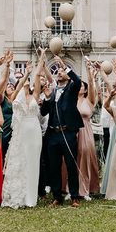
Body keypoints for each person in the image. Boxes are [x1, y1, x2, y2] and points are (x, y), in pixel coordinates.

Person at [2, 51, 46, 208]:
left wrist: (41, 58)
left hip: (34, 129)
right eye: (23, 82)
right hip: (22, 132)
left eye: (28, 81)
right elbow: (17, 89)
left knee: (34, 161)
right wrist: (25, 75)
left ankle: (31, 198)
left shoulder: (35, 95)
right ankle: (21, 194)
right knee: (23, 160)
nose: (27, 82)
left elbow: (38, 75)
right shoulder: (16, 96)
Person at [40, 55, 84, 208]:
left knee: (71, 165)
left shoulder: (72, 88)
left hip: (68, 133)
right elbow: (44, 112)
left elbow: (78, 81)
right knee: (54, 166)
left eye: (62, 71)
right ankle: (57, 197)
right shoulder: (52, 92)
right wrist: (46, 99)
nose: (59, 72)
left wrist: (64, 65)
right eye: (57, 71)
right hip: (53, 134)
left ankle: (74, 196)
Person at [75, 59, 100, 198]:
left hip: (85, 130)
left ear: (85, 90)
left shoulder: (89, 100)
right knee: (73, 158)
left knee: (85, 156)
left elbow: (91, 85)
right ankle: (70, 187)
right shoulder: (72, 100)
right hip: (73, 131)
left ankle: (85, 188)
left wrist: (90, 73)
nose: (79, 87)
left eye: (81, 86)